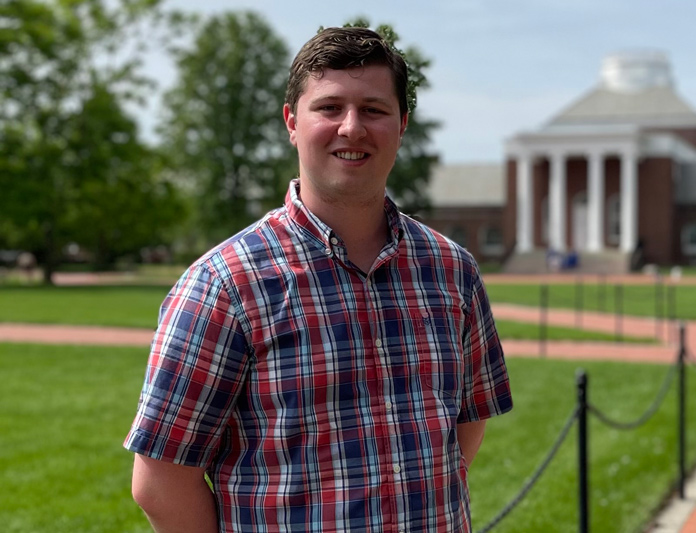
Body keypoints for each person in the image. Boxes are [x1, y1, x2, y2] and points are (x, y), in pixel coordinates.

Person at [125, 26, 513, 533]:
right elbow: (160, 481)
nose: (351, 128)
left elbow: (468, 418)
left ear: (402, 124)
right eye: (329, 107)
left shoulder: (451, 270)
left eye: (374, 109)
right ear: (292, 121)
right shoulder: (224, 285)